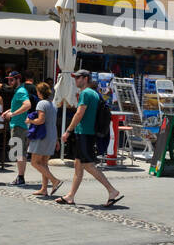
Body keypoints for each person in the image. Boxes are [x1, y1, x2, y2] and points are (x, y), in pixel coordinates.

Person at [57, 69, 122, 207]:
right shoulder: (93, 93)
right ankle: (70, 196)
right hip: (86, 133)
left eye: (78, 78)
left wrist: (68, 131)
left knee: (88, 165)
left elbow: (79, 114)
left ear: (85, 78)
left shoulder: (86, 93)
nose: (75, 80)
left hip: (85, 133)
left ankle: (112, 190)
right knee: (78, 165)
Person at [26, 81, 63, 197]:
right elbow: (53, 123)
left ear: (39, 92)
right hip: (51, 135)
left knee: (35, 162)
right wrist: (56, 139)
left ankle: (55, 180)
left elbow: (41, 120)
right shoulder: (53, 104)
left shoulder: (41, 104)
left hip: (43, 136)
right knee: (44, 163)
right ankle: (44, 189)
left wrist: (30, 121)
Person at [3, 70, 34, 186]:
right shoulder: (18, 91)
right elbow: (20, 106)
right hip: (19, 125)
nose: (10, 82)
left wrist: (13, 114)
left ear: (18, 79)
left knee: (19, 153)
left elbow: (27, 105)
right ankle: (20, 176)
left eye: (12, 80)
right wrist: (9, 111)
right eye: (9, 80)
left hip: (19, 125)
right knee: (20, 152)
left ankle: (20, 177)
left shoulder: (20, 91)